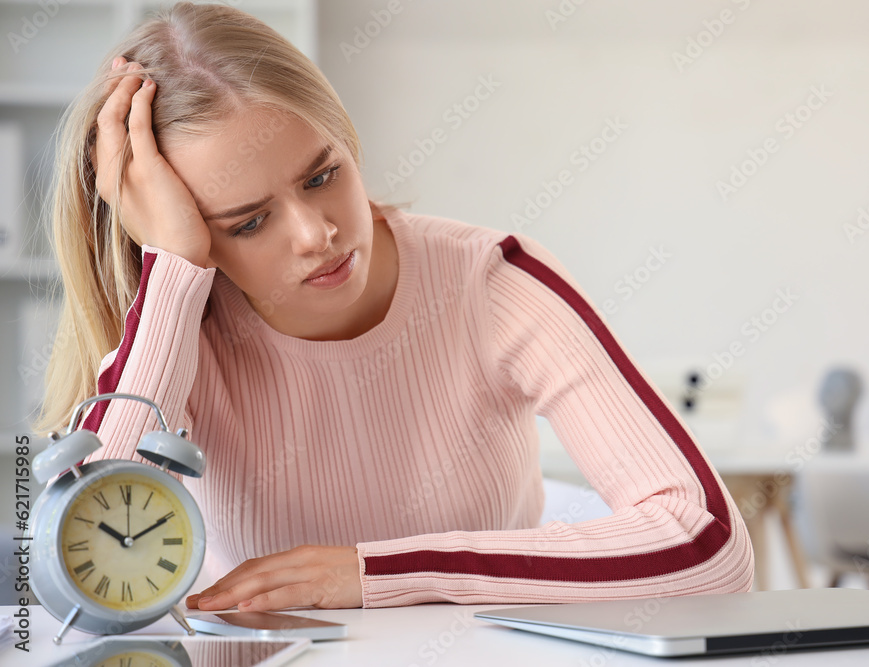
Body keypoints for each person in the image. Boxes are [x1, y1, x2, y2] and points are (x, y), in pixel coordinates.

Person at [36, 2, 753, 611]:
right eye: (248, 222)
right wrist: (171, 274)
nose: (316, 233)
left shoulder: (495, 281)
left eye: (323, 174)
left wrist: (372, 572)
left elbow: (710, 548)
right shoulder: (184, 329)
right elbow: (80, 574)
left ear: (347, 135)